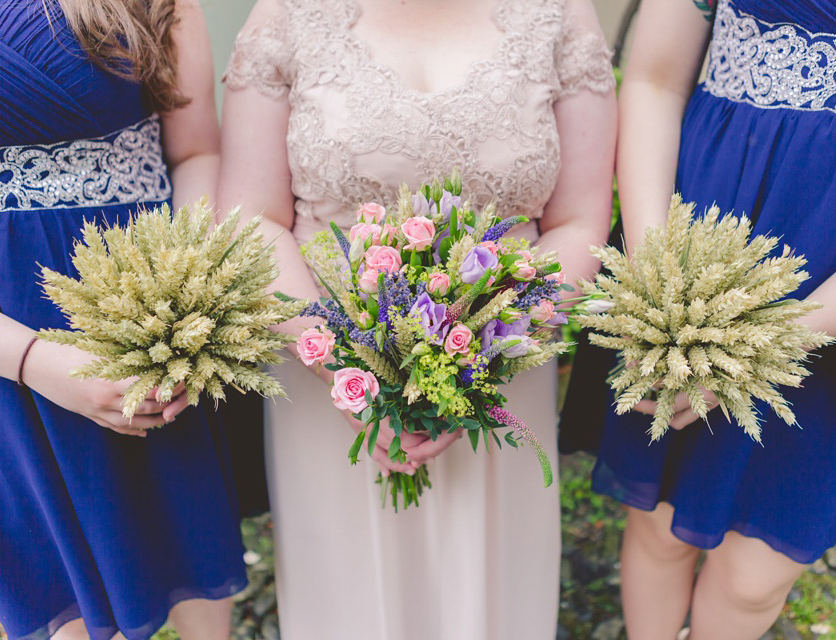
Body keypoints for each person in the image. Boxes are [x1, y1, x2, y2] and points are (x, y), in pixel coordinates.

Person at [217, 0, 617, 638]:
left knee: (489, 595)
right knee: (348, 597)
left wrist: (480, 355)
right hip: (322, 375)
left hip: (499, 374)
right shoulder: (288, 14)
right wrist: (342, 368)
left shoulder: (559, 13)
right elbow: (251, 218)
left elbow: (579, 222)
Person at [562, 1, 836, 639]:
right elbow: (653, 79)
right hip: (696, 239)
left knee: (752, 581)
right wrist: (662, 293)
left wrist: (772, 343)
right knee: (659, 525)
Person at [0, 1, 248, 639]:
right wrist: (35, 363)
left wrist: (182, 295)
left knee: (187, 544)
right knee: (65, 597)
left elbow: (196, 150)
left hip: (146, 313)